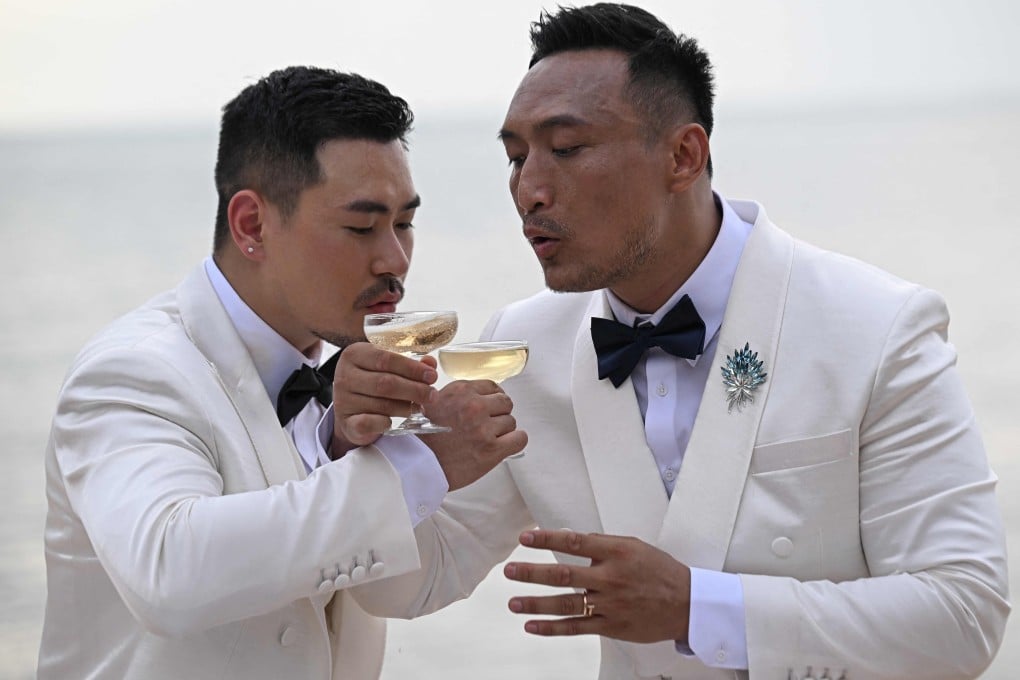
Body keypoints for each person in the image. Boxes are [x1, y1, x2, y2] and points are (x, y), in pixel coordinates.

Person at [346, 4, 1010, 679]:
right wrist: (369, 445)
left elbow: (964, 613)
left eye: (566, 148)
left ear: (683, 156)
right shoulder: (523, 345)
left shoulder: (877, 326)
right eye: (516, 157)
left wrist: (699, 608)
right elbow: (411, 583)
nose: (529, 190)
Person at [37, 66, 525, 680]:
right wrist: (417, 467)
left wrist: (355, 449)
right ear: (252, 225)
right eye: (361, 227)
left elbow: (405, 590)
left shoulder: (343, 381)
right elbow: (168, 572)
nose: (395, 259)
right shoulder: (132, 370)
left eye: (404, 223)